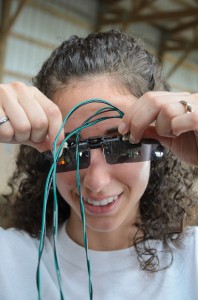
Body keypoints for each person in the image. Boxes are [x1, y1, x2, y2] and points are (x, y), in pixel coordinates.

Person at [0, 29, 197, 300]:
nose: (96, 182)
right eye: (70, 148)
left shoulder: (193, 260)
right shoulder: (9, 263)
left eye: (122, 145)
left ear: (157, 142)